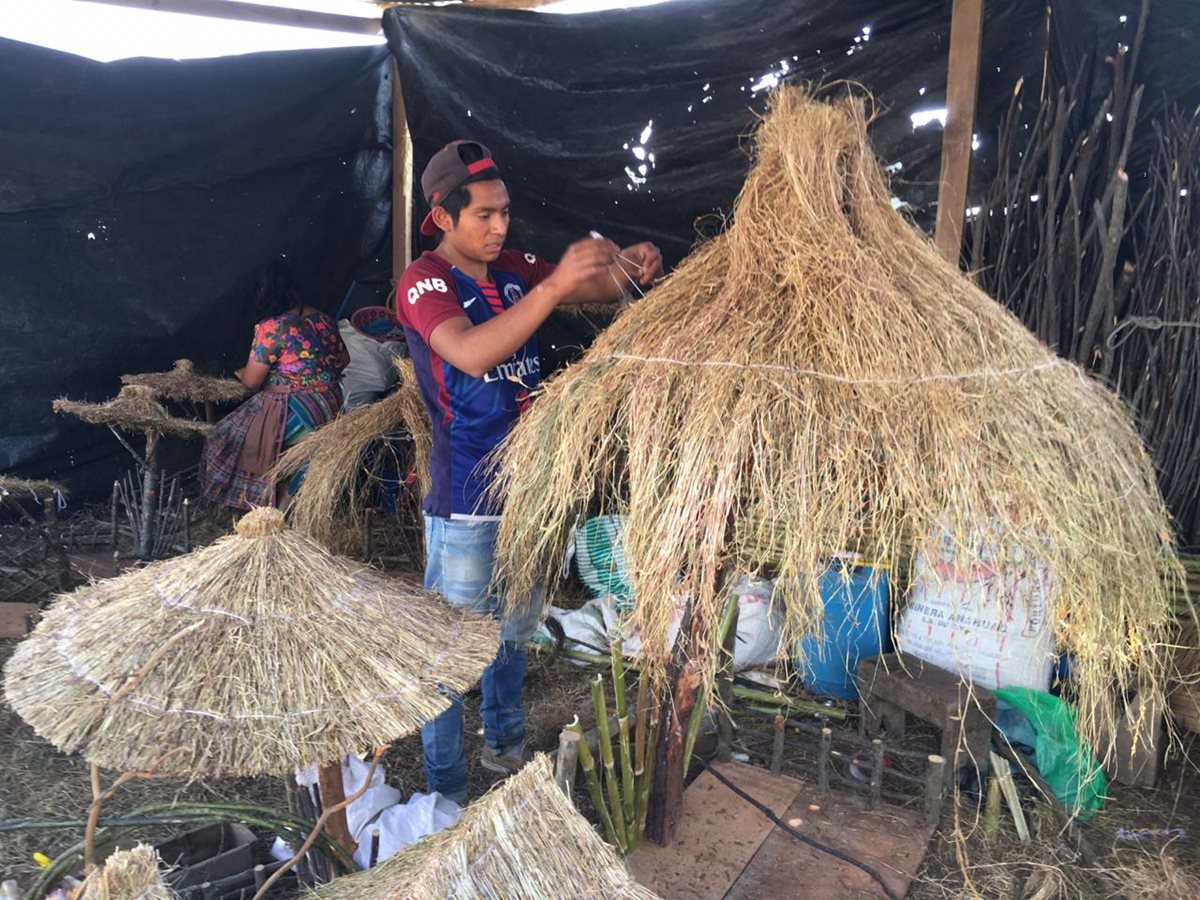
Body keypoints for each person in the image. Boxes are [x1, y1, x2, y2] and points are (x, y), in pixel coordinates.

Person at [396, 139, 662, 803]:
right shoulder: (425, 281)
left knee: (513, 633)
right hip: (466, 502)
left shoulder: (513, 271)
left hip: (528, 490)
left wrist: (630, 268)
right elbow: (471, 351)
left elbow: (599, 288)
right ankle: (445, 792)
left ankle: (504, 749)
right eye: (483, 215)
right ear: (442, 216)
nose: (498, 226)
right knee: (450, 653)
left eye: (504, 213)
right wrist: (555, 285)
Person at [202, 260, 349, 510]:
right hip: (331, 404)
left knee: (224, 436)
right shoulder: (324, 320)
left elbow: (251, 381)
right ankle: (284, 501)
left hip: (298, 409)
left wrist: (243, 374)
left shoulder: (272, 328)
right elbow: (344, 360)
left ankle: (262, 506)